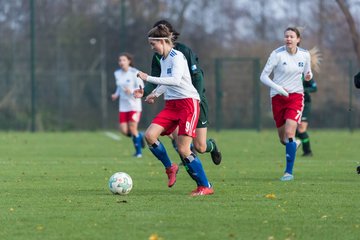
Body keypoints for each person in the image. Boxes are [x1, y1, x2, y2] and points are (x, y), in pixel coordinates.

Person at [134, 24, 214, 196]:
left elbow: (176, 80)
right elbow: (165, 81)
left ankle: (205, 185)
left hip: (187, 104)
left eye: (153, 43)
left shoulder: (177, 56)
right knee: (149, 135)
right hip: (172, 105)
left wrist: (147, 77)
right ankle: (170, 167)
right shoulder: (163, 59)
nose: (152, 47)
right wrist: (155, 93)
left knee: (184, 148)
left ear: (163, 41)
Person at [143, 20, 222, 166]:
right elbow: (157, 78)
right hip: (176, 103)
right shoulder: (158, 56)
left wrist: (197, 98)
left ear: (169, 35)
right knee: (177, 138)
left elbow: (197, 76)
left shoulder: (182, 52)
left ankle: (211, 146)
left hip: (193, 100)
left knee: (200, 146)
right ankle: (186, 160)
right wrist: (145, 92)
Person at [260, 27, 313, 181]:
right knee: (283, 139)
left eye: (291, 36)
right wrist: (278, 88)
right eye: (286, 36)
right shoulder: (277, 54)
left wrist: (309, 75)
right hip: (277, 97)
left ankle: (288, 172)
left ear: (298, 39)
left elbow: (308, 75)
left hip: (296, 96)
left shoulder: (305, 54)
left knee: (290, 133)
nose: (288, 39)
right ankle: (293, 143)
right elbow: (263, 77)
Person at [111, 53, 145, 158]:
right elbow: (119, 87)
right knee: (124, 131)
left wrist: (131, 91)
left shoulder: (135, 72)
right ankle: (140, 136)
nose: (121, 62)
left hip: (134, 105)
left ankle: (138, 152)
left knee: (132, 127)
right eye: (120, 60)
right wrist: (116, 94)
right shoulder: (117, 73)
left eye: (123, 60)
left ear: (129, 61)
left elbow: (141, 88)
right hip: (123, 106)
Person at [296, 77, 317, 157]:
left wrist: (305, 90)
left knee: (301, 129)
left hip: (305, 104)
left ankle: (307, 151)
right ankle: (297, 142)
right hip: (294, 103)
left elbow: (314, 88)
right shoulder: (290, 73)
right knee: (291, 128)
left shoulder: (306, 75)